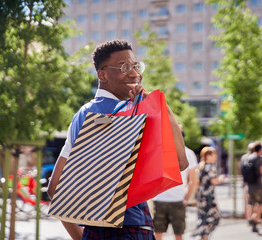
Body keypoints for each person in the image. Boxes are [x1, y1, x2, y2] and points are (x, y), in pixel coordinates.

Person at [47, 39, 188, 240]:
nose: (135, 73)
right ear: (102, 74)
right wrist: (159, 105)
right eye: (124, 67)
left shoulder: (82, 115)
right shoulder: (134, 112)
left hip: (93, 230)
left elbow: (54, 189)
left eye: (136, 66)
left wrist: (82, 237)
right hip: (132, 228)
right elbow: (180, 162)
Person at [153, 125, 199, 240]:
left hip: (169, 199)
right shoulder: (187, 153)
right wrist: (186, 198)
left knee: (164, 234)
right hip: (167, 199)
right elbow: (194, 180)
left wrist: (186, 198)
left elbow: (194, 180)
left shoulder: (160, 150)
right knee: (173, 234)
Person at [193, 146, 225, 240]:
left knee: (204, 219)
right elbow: (214, 181)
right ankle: (204, 237)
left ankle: (203, 236)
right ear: (208, 156)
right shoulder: (210, 167)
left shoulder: (200, 166)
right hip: (208, 198)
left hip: (201, 197)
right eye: (214, 154)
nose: (216, 156)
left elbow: (197, 183)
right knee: (212, 219)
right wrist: (221, 179)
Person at [246, 141, 262, 233]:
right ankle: (255, 219)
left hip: (250, 185)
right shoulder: (260, 159)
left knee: (251, 204)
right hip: (259, 185)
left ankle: (251, 219)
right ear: (260, 149)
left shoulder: (248, 158)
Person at [239, 142, 255, 222]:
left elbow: (241, 169)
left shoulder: (243, 157)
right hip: (253, 183)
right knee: (254, 202)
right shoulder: (255, 157)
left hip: (245, 182)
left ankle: (247, 217)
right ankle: (252, 218)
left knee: (246, 201)